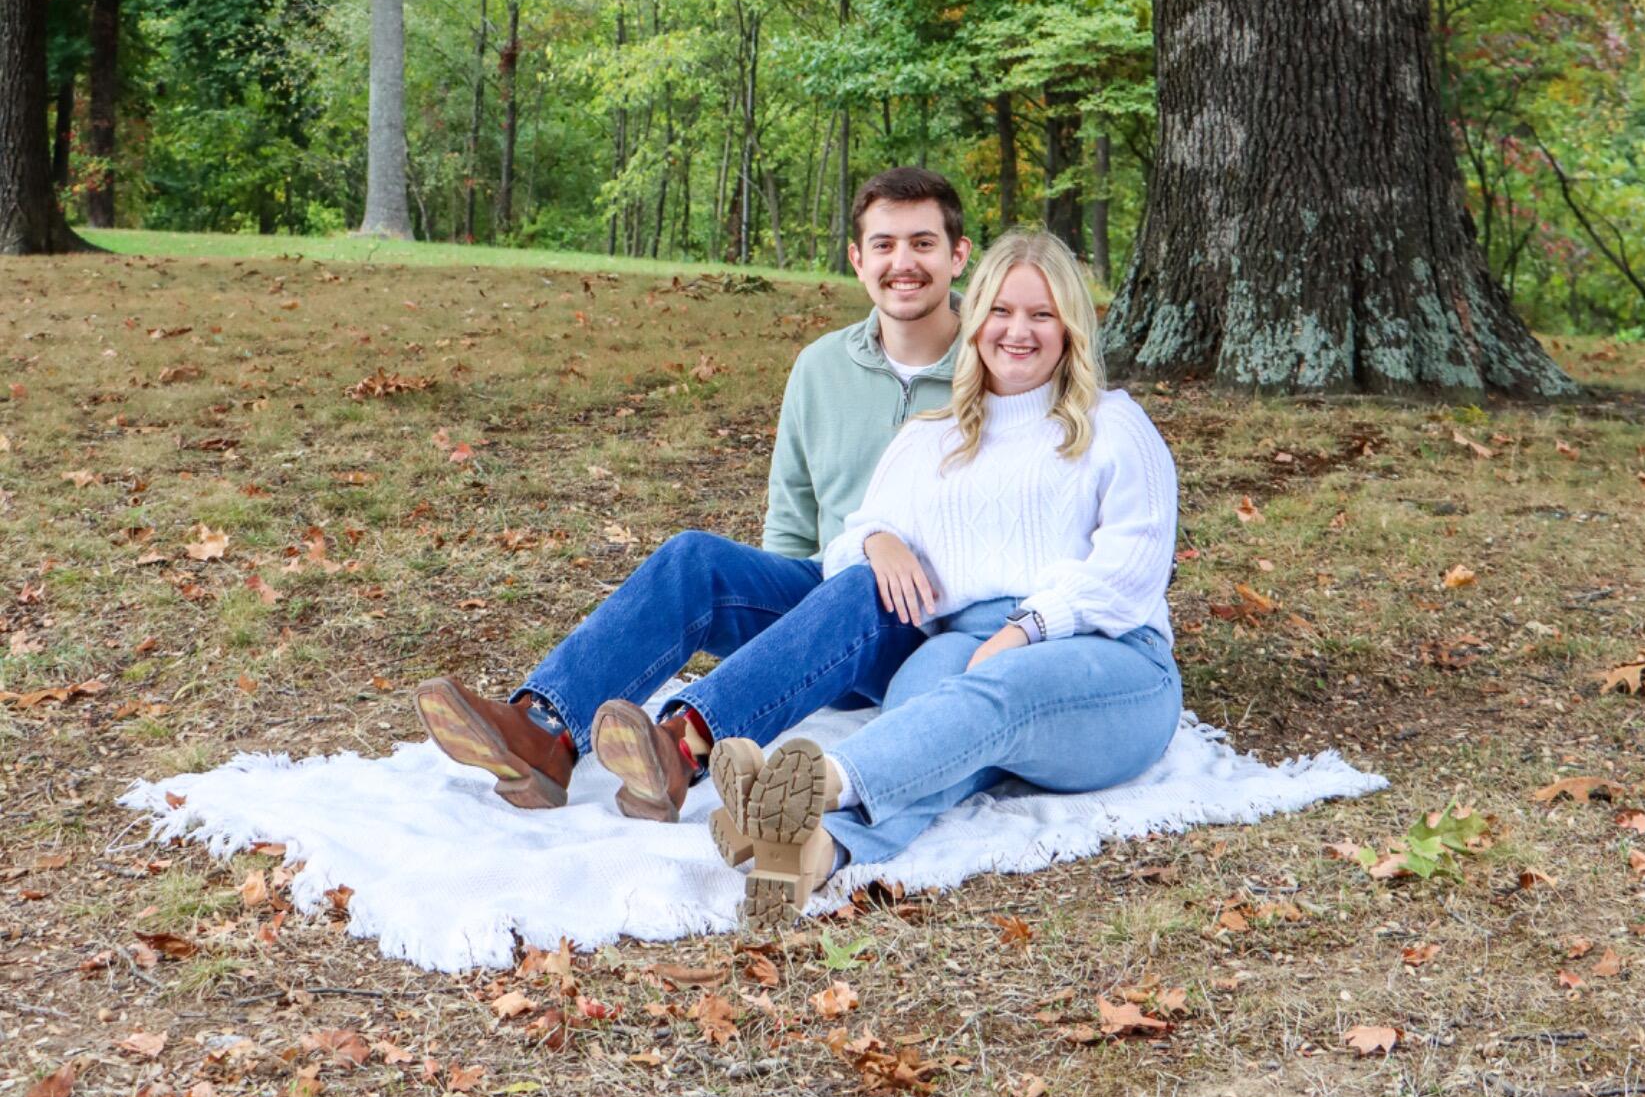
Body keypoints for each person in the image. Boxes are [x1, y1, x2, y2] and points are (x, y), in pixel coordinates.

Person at [414, 167, 971, 831]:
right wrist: (789, 647)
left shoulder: (992, 368)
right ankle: (545, 736)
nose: (901, 262)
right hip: (828, 602)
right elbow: (791, 526)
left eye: (922, 244)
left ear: (958, 255)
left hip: (924, 626)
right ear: (857, 258)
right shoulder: (821, 367)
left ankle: (681, 750)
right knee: (693, 560)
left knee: (858, 584)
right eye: (883, 245)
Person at [702, 228, 1182, 922]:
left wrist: (1028, 629)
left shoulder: (1114, 425)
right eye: (1002, 312)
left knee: (996, 693)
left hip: (1111, 659)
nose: (1019, 332)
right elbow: (844, 550)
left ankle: (818, 784)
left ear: (1071, 327)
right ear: (974, 318)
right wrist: (879, 540)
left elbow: (1132, 570)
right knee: (927, 716)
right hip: (963, 641)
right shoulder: (930, 438)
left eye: (1042, 315)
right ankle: (811, 852)